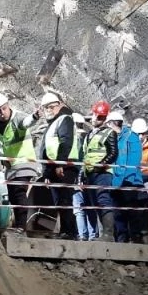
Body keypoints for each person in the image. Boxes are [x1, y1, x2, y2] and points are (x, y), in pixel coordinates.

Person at [32, 91, 78, 239]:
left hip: (66, 167)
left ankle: (69, 232)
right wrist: (46, 174)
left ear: (60, 105)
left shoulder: (65, 119)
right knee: (60, 201)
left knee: (65, 200)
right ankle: (66, 230)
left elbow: (66, 142)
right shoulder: (51, 125)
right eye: (46, 108)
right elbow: (46, 150)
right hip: (55, 168)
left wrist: (60, 164)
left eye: (52, 106)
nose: (49, 110)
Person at [0, 92, 39, 232]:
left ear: (8, 105)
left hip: (24, 162)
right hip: (11, 166)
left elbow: (26, 123)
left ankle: (21, 226)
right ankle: (18, 224)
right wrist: (2, 160)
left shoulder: (18, 117)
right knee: (13, 195)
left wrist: (35, 116)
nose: (2, 112)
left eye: (3, 108)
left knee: (19, 193)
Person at [80, 100, 117, 242]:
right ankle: (104, 235)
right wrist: (82, 175)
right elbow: (86, 155)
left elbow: (113, 153)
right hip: (89, 173)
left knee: (103, 200)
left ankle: (108, 234)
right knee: (95, 202)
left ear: (105, 118)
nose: (97, 119)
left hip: (102, 173)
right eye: (96, 116)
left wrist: (101, 165)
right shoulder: (89, 135)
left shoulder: (109, 132)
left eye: (100, 117)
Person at [106, 111, 143, 243]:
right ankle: (122, 240)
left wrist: (128, 179)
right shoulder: (113, 139)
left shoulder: (130, 137)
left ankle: (136, 240)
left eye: (108, 124)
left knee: (131, 213)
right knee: (118, 214)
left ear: (113, 123)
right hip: (116, 182)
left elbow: (134, 159)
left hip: (129, 181)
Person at [71, 112, 96, 241]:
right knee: (90, 208)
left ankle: (83, 236)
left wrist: (78, 179)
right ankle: (93, 236)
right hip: (89, 177)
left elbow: (80, 162)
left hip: (79, 178)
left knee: (79, 209)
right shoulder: (89, 137)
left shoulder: (76, 140)